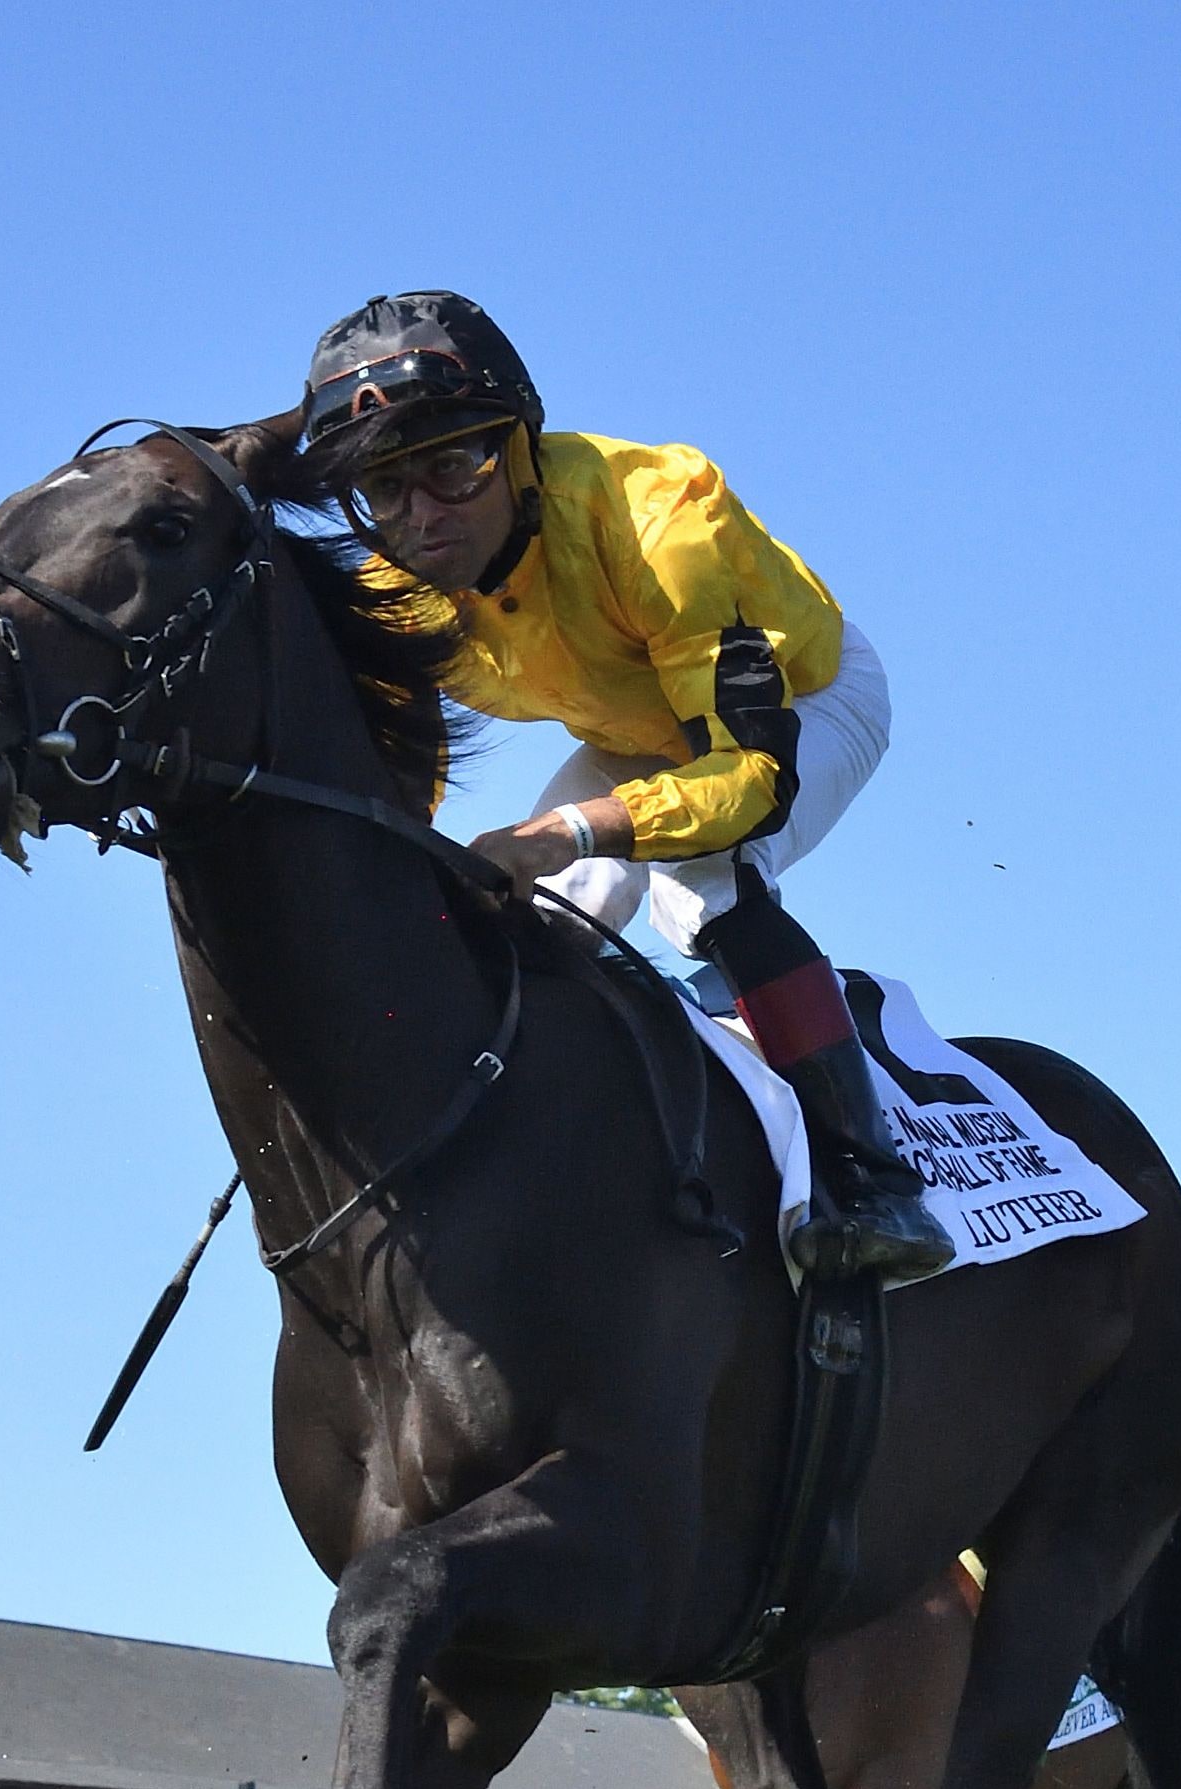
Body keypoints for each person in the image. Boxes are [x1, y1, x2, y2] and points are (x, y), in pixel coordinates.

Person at [297, 291, 954, 1283]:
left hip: (801, 706)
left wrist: (566, 828)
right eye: (386, 490)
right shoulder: (406, 590)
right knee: (545, 915)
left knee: (706, 884)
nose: (423, 520)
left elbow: (746, 781)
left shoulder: (659, 520)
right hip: (632, 730)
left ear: (521, 446)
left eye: (450, 465)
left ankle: (876, 1187)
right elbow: (395, 771)